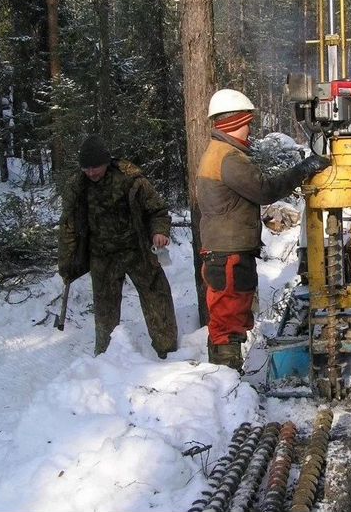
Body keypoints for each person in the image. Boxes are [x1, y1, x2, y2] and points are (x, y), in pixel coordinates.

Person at [196, 89, 330, 370]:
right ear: (233, 123)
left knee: (229, 317)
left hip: (227, 250)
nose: (249, 130)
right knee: (227, 321)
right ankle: (226, 379)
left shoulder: (220, 152)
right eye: (247, 124)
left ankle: (225, 381)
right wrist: (303, 169)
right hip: (228, 253)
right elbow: (265, 190)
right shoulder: (228, 157)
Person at [58, 134, 178, 358]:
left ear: (106, 161)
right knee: (105, 310)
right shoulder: (78, 186)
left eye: (96, 167)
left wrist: (159, 231)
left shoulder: (129, 178)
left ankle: (168, 351)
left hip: (137, 250)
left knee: (157, 296)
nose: (91, 172)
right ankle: (106, 357)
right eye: (87, 168)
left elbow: (157, 210)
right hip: (101, 255)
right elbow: (69, 226)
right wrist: (67, 265)